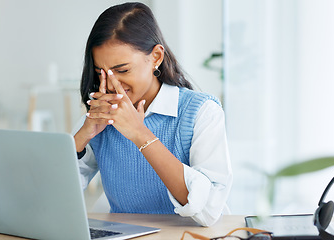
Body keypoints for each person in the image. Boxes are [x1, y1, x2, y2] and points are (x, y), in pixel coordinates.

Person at [73, 2, 232, 227]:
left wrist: (140, 134)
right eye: (101, 73)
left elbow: (208, 211)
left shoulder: (201, 112)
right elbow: (50, 195)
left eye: (123, 70)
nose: (111, 84)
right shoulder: (99, 118)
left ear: (156, 57)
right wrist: (81, 137)